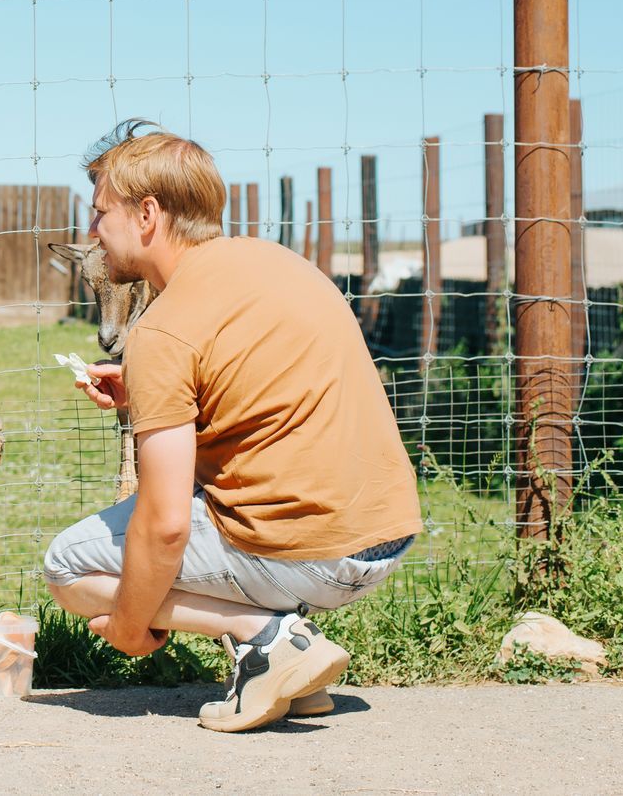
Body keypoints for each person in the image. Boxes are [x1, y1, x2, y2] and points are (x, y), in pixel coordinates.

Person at [43, 120, 422, 733]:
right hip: (383, 533)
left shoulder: (163, 329)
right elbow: (253, 391)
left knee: (70, 567)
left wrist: (129, 626)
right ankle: (284, 675)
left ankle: (267, 638)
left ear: (146, 214)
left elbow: (164, 526)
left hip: (312, 555)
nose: (92, 233)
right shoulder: (273, 262)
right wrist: (141, 393)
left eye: (99, 214)